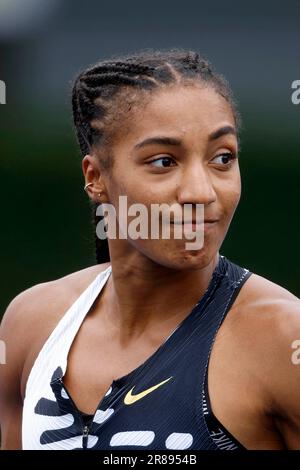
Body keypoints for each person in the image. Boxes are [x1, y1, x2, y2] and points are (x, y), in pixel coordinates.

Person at [0, 49, 299, 451]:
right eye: (163, 161)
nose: (201, 192)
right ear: (96, 178)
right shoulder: (31, 324)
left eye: (222, 158)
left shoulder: (282, 340)